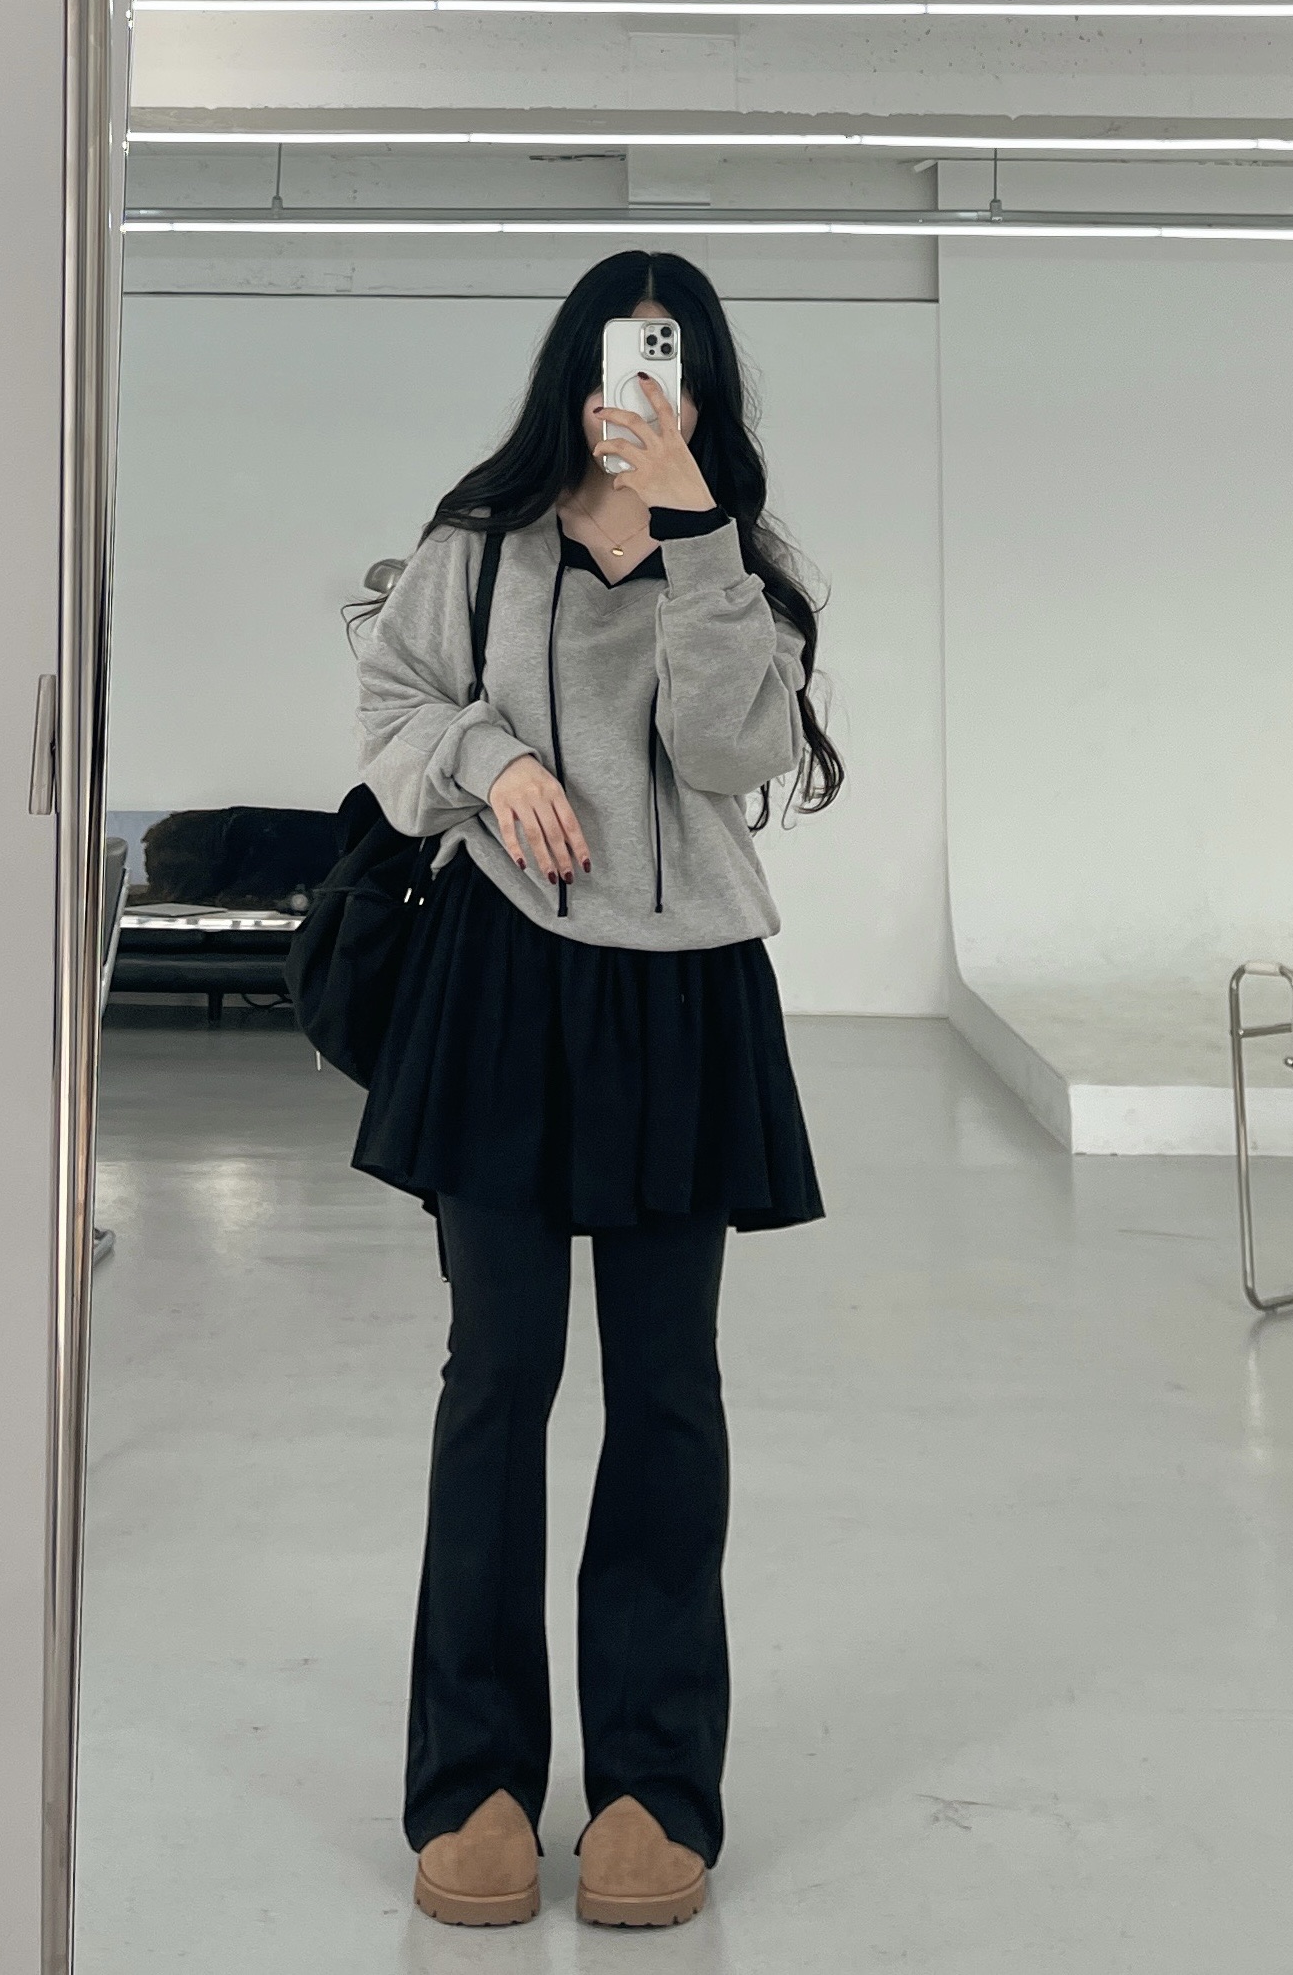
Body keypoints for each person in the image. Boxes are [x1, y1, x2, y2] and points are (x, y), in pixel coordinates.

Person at [350, 250, 843, 1929]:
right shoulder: (477, 542)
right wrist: (488, 760)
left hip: (681, 999)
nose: (642, 385)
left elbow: (729, 752)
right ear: (576, 369)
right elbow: (391, 702)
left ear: (698, 386)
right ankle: (472, 1778)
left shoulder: (742, 570)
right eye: (624, 355)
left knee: (666, 1388)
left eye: (670, 361)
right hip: (501, 986)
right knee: (496, 1378)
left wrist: (693, 531)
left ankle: (651, 1779)